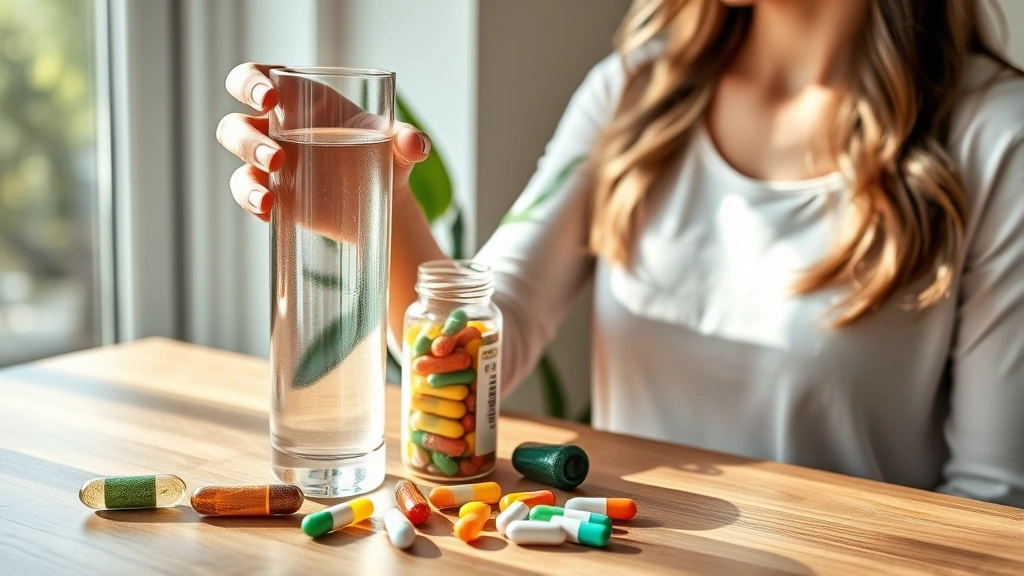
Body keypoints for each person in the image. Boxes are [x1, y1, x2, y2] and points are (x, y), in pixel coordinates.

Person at [216, 0, 1024, 506]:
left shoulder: (997, 137)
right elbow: (481, 333)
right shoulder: (633, 92)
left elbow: (995, 508)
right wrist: (377, 207)